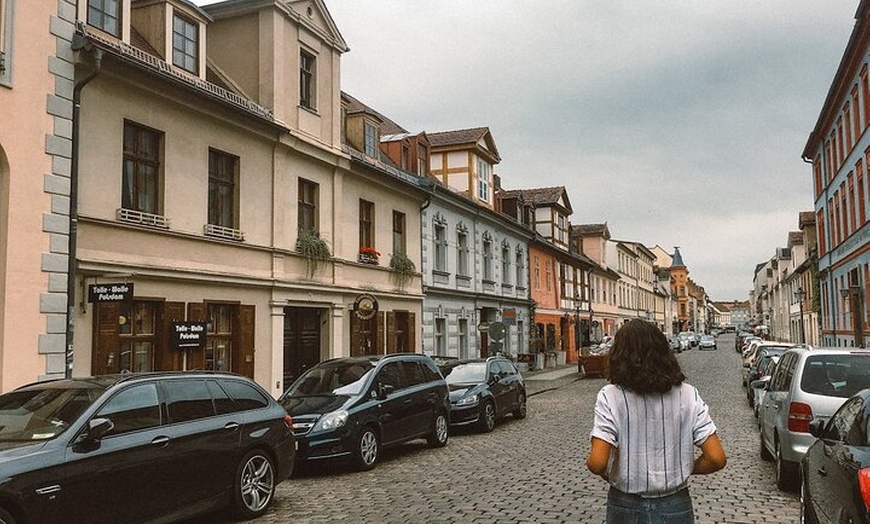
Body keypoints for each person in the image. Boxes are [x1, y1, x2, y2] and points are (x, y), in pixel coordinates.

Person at [586, 319, 726, 524]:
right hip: (674, 503)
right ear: (664, 353)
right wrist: (686, 468)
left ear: (619, 356)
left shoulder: (610, 397)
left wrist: (611, 471)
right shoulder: (688, 395)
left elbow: (598, 462)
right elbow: (716, 458)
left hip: (626, 505)